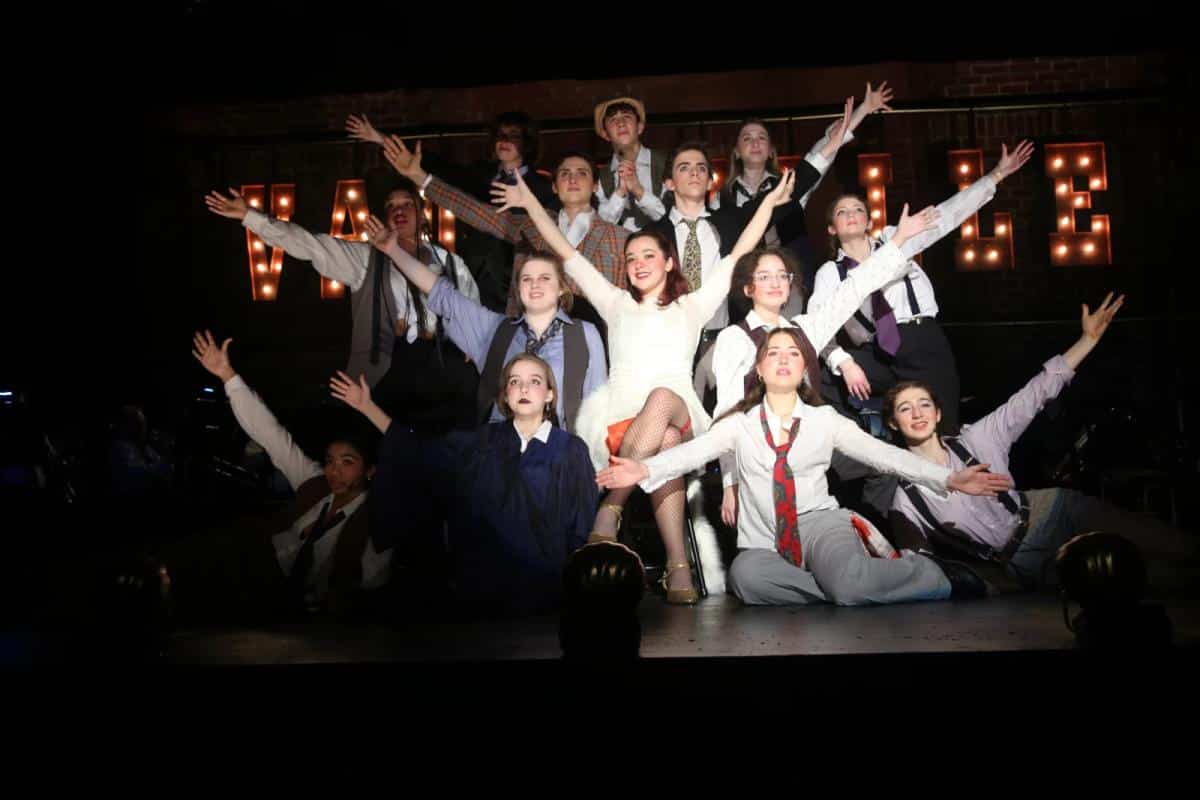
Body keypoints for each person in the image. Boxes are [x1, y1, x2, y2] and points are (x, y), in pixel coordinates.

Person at [597, 328, 1014, 606]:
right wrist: (643, 470)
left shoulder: (825, 421)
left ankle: (934, 575)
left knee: (849, 586)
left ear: (802, 369)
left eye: (792, 353)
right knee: (746, 579)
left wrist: (948, 477)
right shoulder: (739, 426)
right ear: (759, 369)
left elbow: (883, 454)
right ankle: (841, 582)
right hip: (766, 538)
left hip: (818, 524)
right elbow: (693, 452)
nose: (782, 359)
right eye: (772, 353)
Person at [330, 352, 598, 617]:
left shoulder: (570, 451)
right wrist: (368, 408)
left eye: (535, 381)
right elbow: (418, 450)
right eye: (515, 381)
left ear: (550, 394)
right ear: (505, 394)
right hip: (484, 596)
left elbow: (582, 525)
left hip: (546, 596)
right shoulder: (481, 443)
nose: (524, 388)